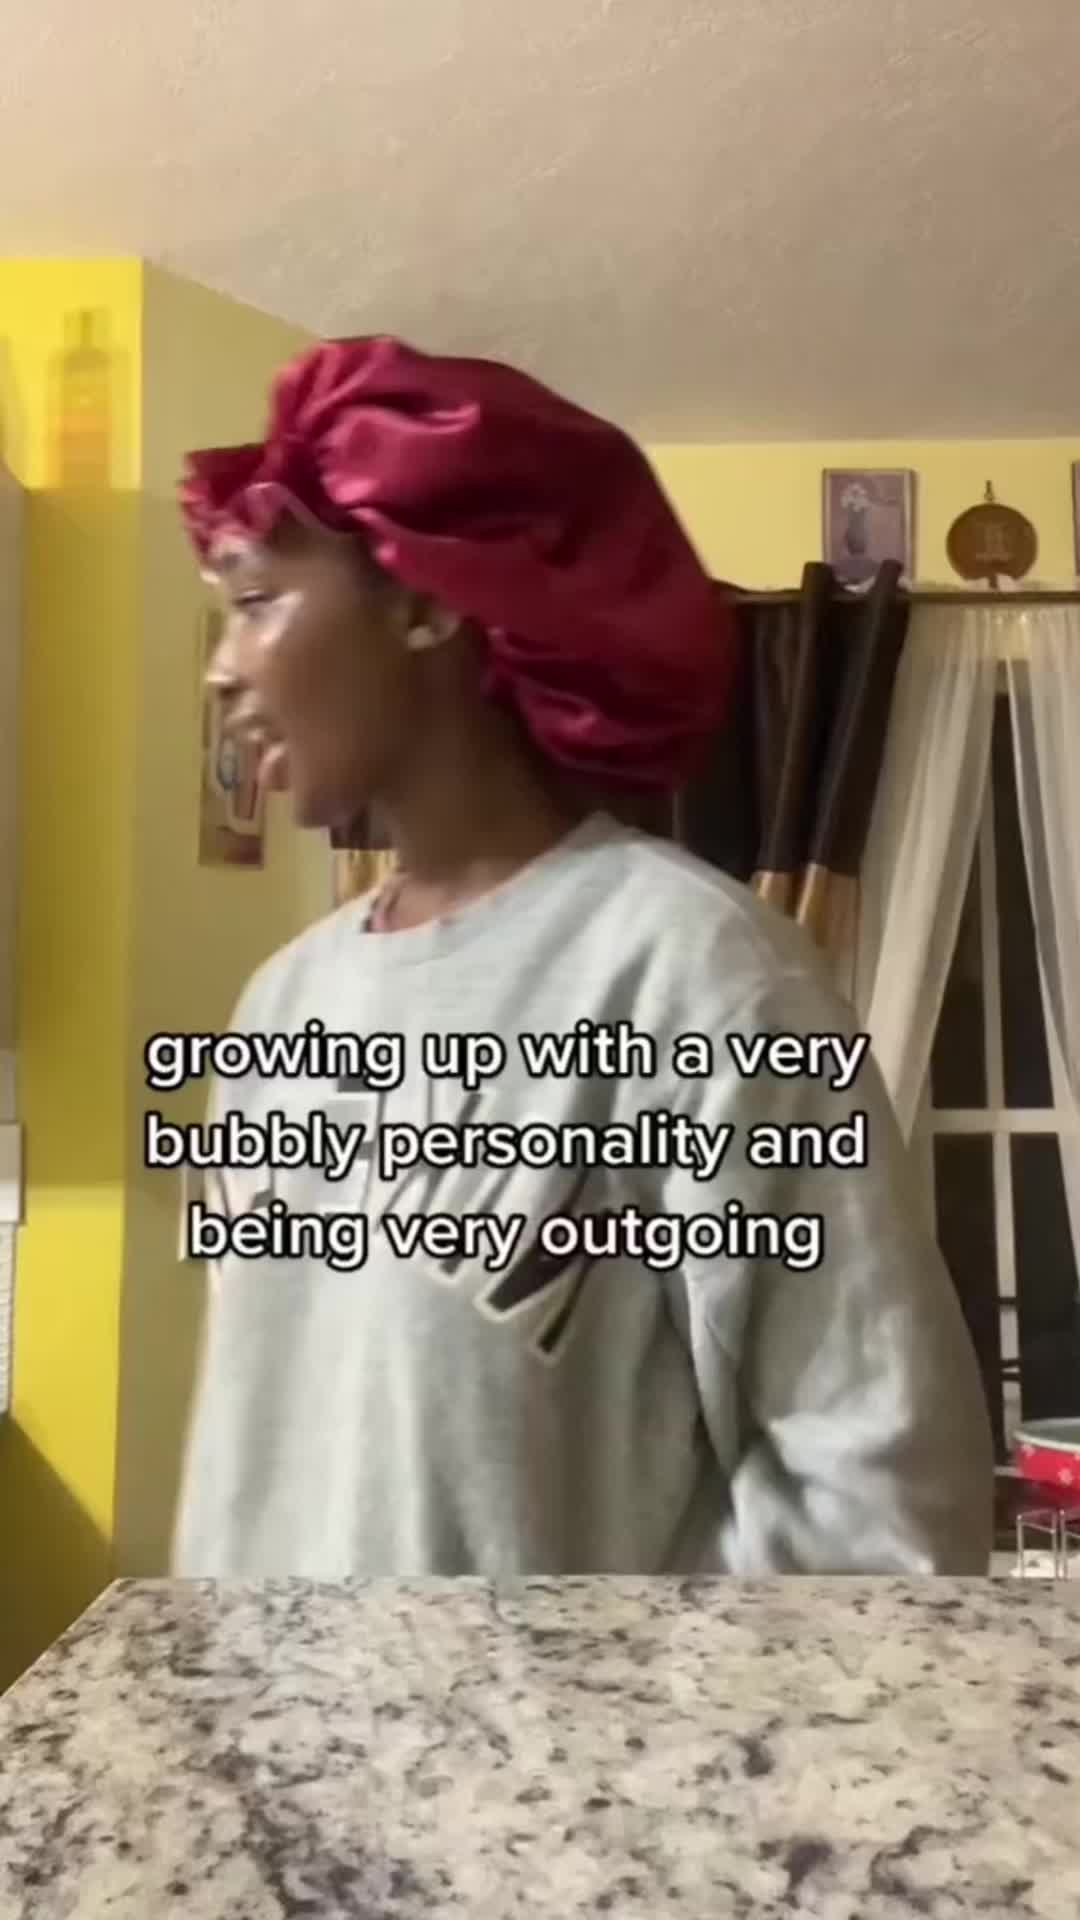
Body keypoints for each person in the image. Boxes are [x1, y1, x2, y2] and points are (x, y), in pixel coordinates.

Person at [172, 335, 993, 1578]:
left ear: (427, 597)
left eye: (257, 602)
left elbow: (884, 1513)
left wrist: (611, 1705)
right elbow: (251, 1464)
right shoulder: (279, 1006)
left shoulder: (701, 979)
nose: (223, 669)